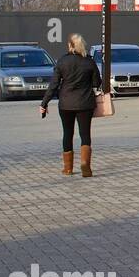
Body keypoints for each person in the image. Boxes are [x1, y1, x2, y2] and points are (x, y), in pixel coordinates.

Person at [41, 33, 103, 177]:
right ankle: (85, 164)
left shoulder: (62, 61)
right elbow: (96, 83)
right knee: (85, 134)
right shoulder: (89, 62)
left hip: (66, 104)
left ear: (70, 45)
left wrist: (44, 103)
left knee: (68, 133)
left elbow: (54, 85)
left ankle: (68, 168)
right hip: (85, 103)